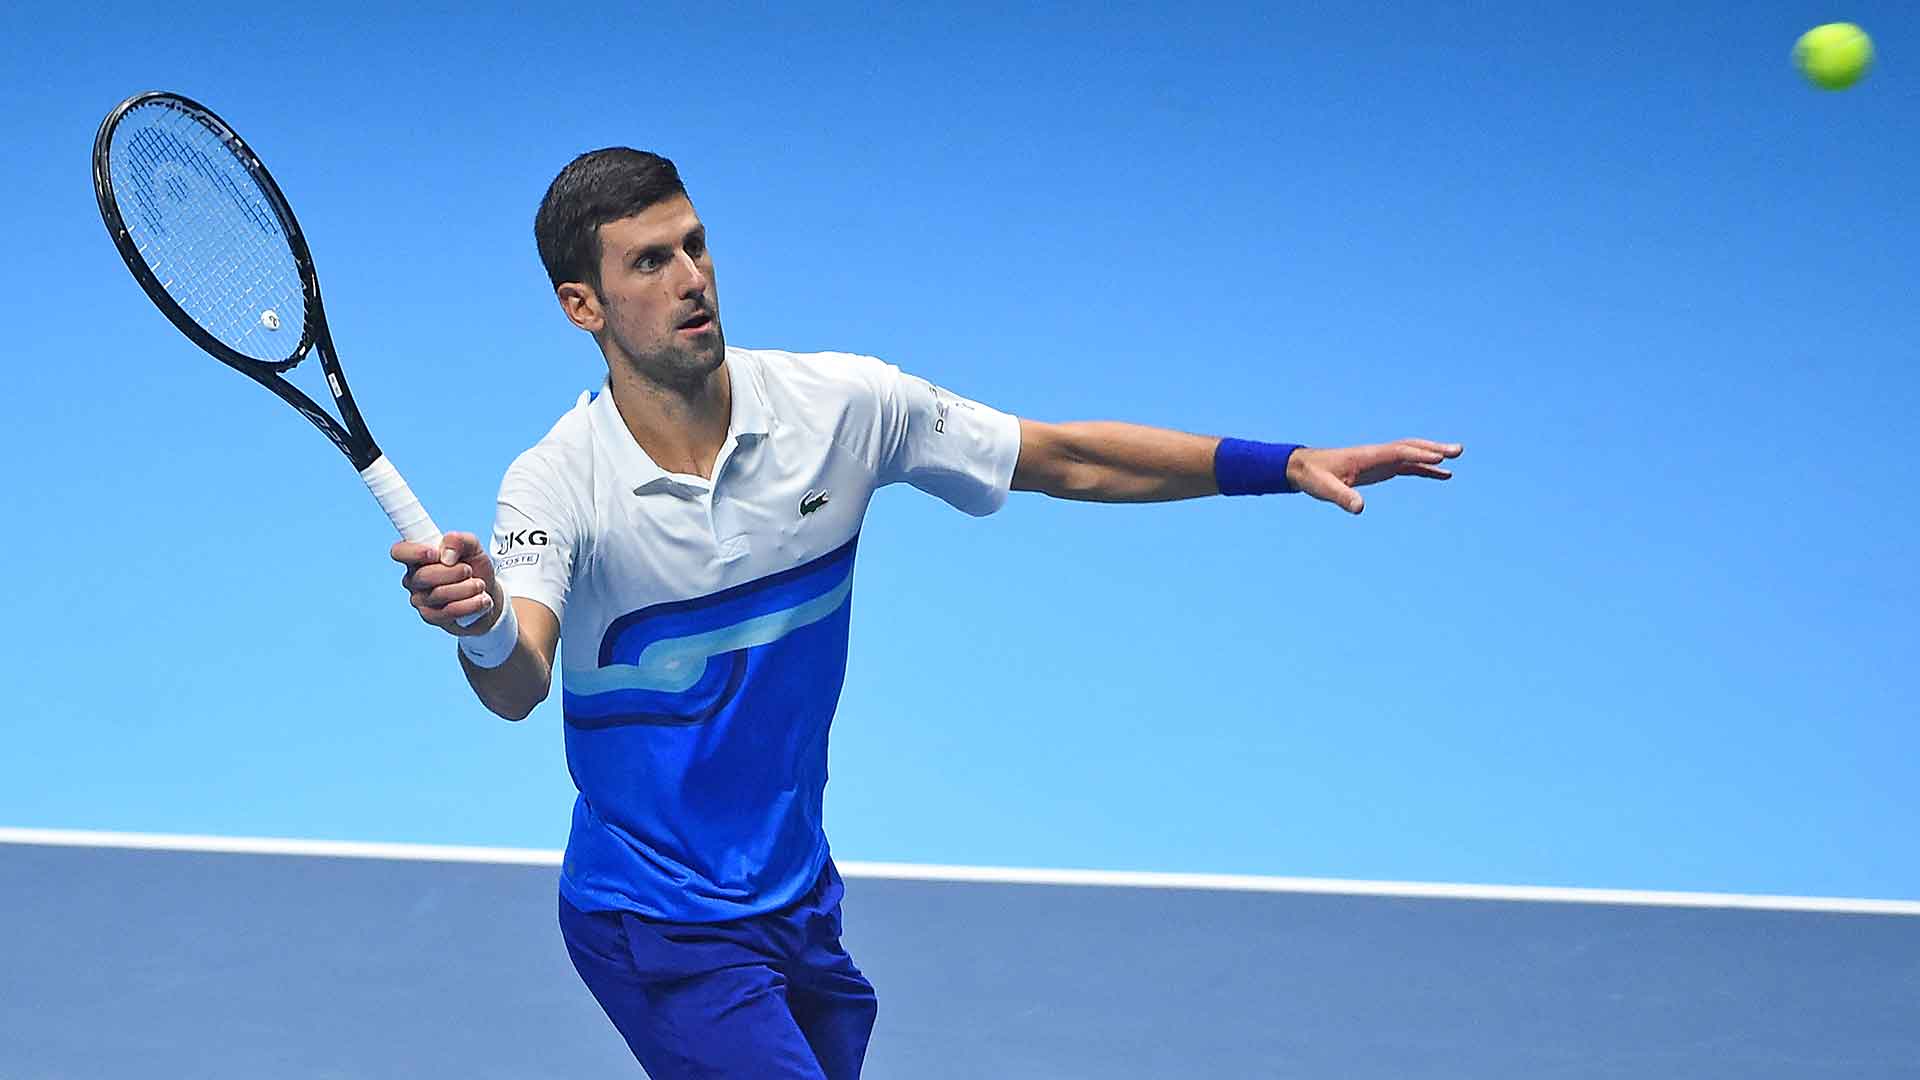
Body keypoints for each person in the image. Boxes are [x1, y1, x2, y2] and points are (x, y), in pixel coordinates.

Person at [391, 148, 1463, 1079]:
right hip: (657, 917)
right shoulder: (557, 483)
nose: (692, 279)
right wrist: (479, 623)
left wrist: (1283, 464)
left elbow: (1063, 457)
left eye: (697, 246)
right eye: (649, 262)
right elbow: (520, 681)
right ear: (582, 305)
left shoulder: (841, 408)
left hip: (795, 897)